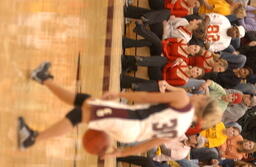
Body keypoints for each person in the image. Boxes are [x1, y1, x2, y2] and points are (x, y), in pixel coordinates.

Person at [18, 62, 222, 158]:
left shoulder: (182, 98)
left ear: (203, 102)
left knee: (80, 113)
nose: (201, 94)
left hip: (129, 118)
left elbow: (146, 96)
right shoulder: (181, 130)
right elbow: (145, 146)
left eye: (204, 96)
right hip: (130, 132)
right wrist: (120, 152)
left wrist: (120, 95)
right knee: (85, 101)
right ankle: (43, 78)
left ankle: (31, 138)